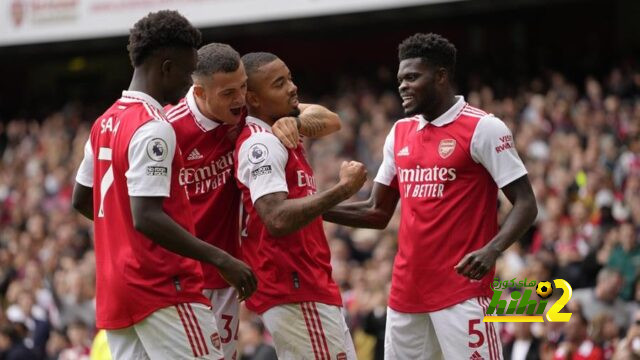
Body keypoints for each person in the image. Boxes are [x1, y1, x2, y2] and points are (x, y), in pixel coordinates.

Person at [323, 32, 538, 359]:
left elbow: (526, 203)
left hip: (463, 292)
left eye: (412, 77)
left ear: (441, 76)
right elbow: (376, 211)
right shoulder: (400, 132)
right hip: (405, 295)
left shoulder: (484, 128)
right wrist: (314, 208)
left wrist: (492, 250)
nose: (402, 85)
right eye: (400, 79)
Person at [72, 10, 256, 359]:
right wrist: (221, 258)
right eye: (187, 73)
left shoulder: (105, 122)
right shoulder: (155, 126)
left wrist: (123, 236)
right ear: (167, 67)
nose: (189, 84)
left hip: (116, 290)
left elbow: (82, 199)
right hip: (162, 287)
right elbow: (147, 217)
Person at [166, 42, 347, 359]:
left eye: (242, 88)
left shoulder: (244, 115)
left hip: (227, 275)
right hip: (183, 277)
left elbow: (331, 120)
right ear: (200, 94)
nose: (239, 99)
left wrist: (294, 121)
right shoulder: (167, 129)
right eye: (229, 93)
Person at [234, 52, 367, 359]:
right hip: (294, 285)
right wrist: (343, 189)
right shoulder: (262, 143)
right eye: (279, 83)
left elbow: (332, 120)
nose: (292, 88)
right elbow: (277, 218)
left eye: (290, 78)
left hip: (305, 285)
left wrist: (291, 118)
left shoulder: (280, 126)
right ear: (252, 97)